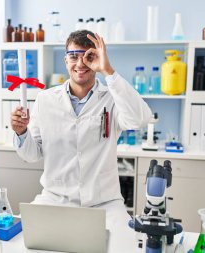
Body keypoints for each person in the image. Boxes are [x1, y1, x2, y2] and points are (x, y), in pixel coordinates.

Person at [11, 30, 152, 229]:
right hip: (55, 200)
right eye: (73, 56)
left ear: (98, 59)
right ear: (65, 60)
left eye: (88, 57)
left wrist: (108, 71)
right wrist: (21, 132)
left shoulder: (113, 98)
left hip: (105, 204)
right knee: (26, 242)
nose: (80, 64)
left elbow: (140, 119)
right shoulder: (45, 99)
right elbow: (32, 155)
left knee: (121, 246)